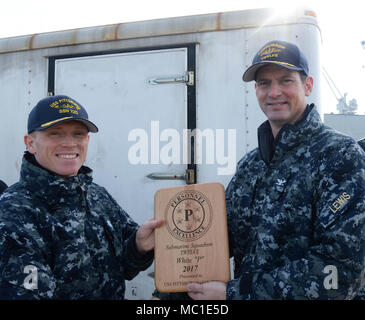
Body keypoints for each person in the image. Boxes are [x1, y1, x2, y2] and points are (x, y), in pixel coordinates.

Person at [156, 40, 365, 300]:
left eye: (286, 80)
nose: (274, 92)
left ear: (308, 85)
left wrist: (236, 293)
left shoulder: (339, 157)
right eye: (265, 83)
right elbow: (215, 241)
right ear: (256, 90)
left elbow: (340, 272)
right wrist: (167, 292)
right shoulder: (250, 166)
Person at [0, 95, 163, 299]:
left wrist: (139, 245)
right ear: (30, 143)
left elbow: (125, 266)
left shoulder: (97, 195)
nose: (70, 143)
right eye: (55, 134)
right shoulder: (14, 211)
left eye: (78, 134)